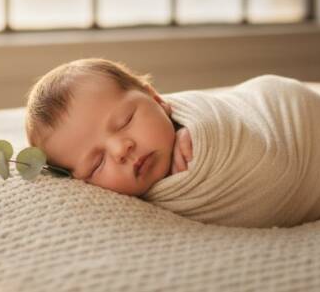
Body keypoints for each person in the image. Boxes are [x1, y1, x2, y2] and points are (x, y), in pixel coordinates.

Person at [24, 58, 193, 196]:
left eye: (125, 121)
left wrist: (197, 131)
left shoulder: (197, 124)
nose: (120, 150)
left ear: (156, 99)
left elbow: (212, 110)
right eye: (97, 163)